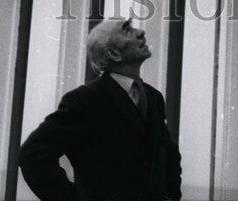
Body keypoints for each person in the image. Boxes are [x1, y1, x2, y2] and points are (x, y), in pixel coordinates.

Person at [18, 19, 181, 201]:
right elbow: (33, 155)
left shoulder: (153, 97)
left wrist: (172, 195)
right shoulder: (85, 100)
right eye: (127, 30)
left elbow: (168, 153)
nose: (140, 32)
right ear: (114, 53)